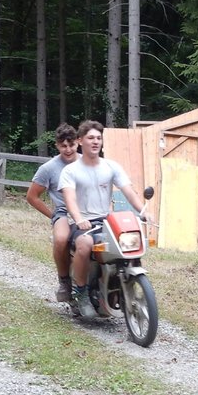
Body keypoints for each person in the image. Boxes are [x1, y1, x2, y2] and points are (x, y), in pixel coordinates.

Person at [60, 120, 148, 319]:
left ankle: (123, 285)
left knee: (130, 243)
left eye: (98, 138)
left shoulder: (111, 166)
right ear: (80, 141)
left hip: (106, 220)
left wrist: (143, 210)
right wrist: (79, 218)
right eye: (91, 138)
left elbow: (128, 191)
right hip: (82, 223)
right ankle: (81, 293)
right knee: (84, 245)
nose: (95, 142)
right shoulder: (70, 171)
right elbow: (70, 199)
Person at [26, 123, 80, 302]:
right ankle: (64, 281)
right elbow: (32, 196)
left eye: (71, 145)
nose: (68, 149)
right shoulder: (48, 168)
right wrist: (53, 215)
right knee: (61, 239)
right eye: (63, 146)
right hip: (63, 212)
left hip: (88, 209)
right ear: (57, 145)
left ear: (78, 142)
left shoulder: (87, 162)